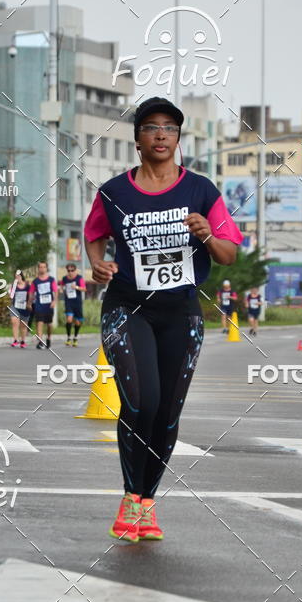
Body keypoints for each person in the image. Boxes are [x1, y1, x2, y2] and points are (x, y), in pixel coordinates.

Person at [84, 96, 243, 543]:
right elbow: (93, 234)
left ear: (177, 139)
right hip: (126, 308)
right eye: (151, 127)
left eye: (169, 128)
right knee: (142, 401)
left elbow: (229, 255)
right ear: (137, 140)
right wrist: (99, 264)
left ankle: (145, 502)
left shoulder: (201, 191)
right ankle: (131, 499)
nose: (160, 134)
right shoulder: (114, 192)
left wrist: (208, 235)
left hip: (181, 313)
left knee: (168, 413)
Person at [29, 261, 57, 349]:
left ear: (46, 268)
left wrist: (54, 301)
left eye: (44, 267)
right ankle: (40, 341)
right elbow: (31, 293)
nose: (42, 269)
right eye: (40, 267)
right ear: (38, 268)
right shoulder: (35, 281)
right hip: (39, 304)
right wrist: (29, 303)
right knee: (39, 322)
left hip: (49, 305)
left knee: (49, 324)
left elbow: (55, 291)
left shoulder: (51, 279)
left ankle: (48, 338)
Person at [59, 263, 86, 346]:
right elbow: (61, 286)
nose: (70, 272)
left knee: (77, 321)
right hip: (68, 302)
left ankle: (75, 337)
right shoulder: (64, 278)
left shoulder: (79, 278)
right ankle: (68, 337)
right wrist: (61, 290)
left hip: (77, 302)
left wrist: (76, 287)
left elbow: (84, 289)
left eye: (72, 270)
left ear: (75, 270)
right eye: (68, 270)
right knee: (69, 319)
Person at [9, 270, 30, 348]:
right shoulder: (14, 285)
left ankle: (23, 341)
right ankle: (15, 340)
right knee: (14, 322)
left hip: (25, 308)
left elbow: (31, 295)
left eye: (18, 276)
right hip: (15, 306)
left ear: (21, 276)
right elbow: (11, 296)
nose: (17, 278)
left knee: (23, 325)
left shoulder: (27, 285)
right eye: (15, 277)